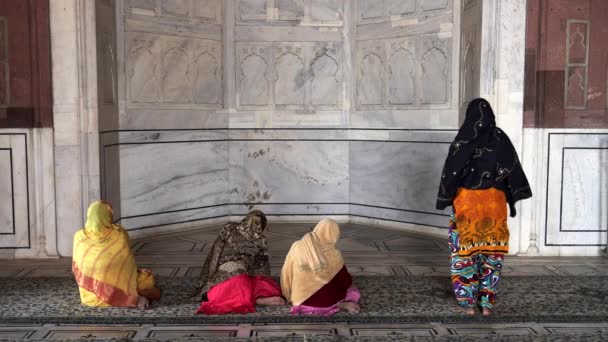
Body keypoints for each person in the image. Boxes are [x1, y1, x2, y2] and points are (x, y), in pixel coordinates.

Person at [436, 98, 532, 316]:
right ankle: (487, 304)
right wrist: (510, 195)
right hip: (494, 205)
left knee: (463, 254)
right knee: (492, 254)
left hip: (467, 204)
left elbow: (452, 171)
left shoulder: (464, 138)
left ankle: (468, 303)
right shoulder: (499, 138)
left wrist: (446, 197)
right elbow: (512, 168)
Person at [72, 201, 161, 309]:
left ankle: (100, 296)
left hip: (89, 296)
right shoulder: (119, 233)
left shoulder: (79, 236)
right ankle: (127, 298)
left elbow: (77, 266)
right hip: (120, 284)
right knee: (146, 279)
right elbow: (126, 263)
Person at [195, 210, 284, 314]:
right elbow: (261, 269)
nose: (257, 227)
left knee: (252, 284)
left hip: (239, 269)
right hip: (230, 269)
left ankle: (253, 298)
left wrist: (210, 273)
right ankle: (255, 299)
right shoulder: (256, 238)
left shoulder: (230, 228)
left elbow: (216, 251)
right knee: (243, 283)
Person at [281, 218, 360, 315]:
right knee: (352, 290)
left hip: (300, 301)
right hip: (326, 303)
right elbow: (346, 281)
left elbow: (286, 273)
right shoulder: (333, 253)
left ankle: (330, 303)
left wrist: (288, 294)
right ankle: (339, 303)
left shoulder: (298, 246)